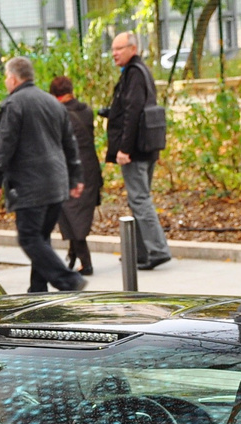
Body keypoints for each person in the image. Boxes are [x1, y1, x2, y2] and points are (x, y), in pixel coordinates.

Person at [0, 56, 87, 294]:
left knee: (29, 237)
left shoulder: (14, 105)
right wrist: (75, 177)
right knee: (41, 238)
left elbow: (4, 144)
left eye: (5, 78)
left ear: (12, 78)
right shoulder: (52, 103)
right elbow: (69, 143)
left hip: (30, 184)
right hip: (56, 183)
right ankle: (37, 290)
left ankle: (68, 280)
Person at [104, 32, 171, 270]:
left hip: (135, 150)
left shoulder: (133, 74)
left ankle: (157, 250)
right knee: (138, 199)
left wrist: (124, 148)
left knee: (139, 199)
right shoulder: (141, 71)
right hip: (146, 147)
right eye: (112, 49)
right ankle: (141, 253)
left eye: (119, 48)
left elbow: (132, 113)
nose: (114, 53)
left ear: (132, 48)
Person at [49, 76, 101, 276]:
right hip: (90, 167)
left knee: (71, 213)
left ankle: (85, 262)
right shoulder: (85, 111)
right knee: (75, 213)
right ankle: (72, 257)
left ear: (55, 95)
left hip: (71, 169)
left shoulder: (60, 114)